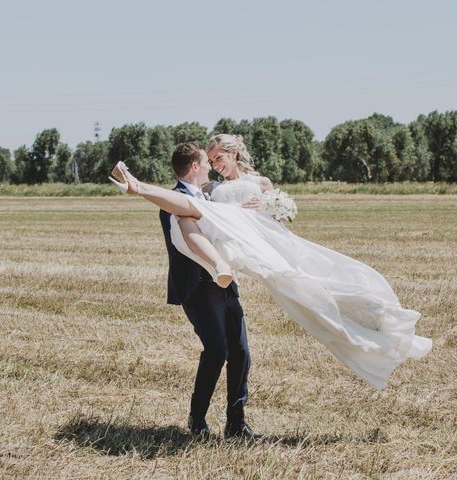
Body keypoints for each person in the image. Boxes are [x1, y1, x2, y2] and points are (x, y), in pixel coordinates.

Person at [110, 134, 432, 390]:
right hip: (230, 243)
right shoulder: (208, 191)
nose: (214, 164)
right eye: (209, 161)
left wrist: (267, 209)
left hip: (261, 245)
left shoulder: (259, 184)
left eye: (218, 158)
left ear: (233, 153)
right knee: (189, 215)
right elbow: (192, 207)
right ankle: (137, 187)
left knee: (313, 289)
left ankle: (376, 319)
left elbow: (277, 219)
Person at [156, 141, 258, 440]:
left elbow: (219, 225)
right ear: (196, 166)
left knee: (241, 352)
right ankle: (197, 418)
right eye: (207, 161)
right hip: (197, 287)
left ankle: (236, 423)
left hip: (225, 284)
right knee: (216, 351)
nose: (212, 167)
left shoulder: (206, 196)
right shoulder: (174, 199)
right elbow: (195, 233)